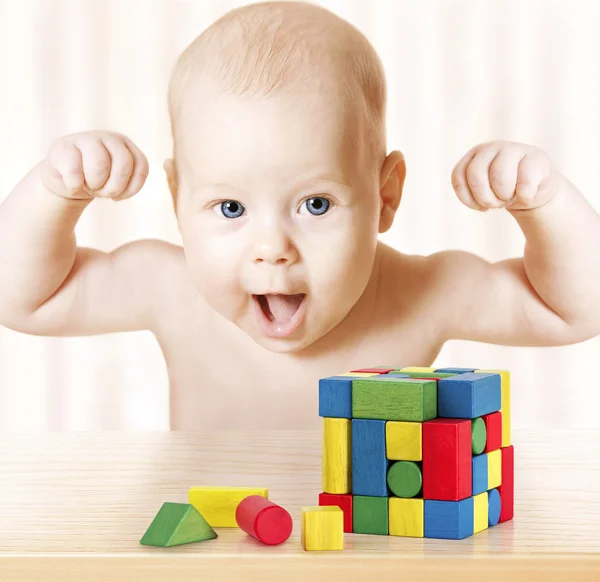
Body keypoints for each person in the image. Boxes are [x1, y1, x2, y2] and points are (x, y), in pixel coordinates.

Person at [1, 1, 599, 430]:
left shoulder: (418, 294)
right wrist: (58, 190)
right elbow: (20, 298)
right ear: (179, 197)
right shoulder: (171, 287)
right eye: (230, 207)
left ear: (385, 196)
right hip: (213, 550)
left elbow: (574, 311)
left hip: (362, 555)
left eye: (315, 204)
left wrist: (541, 202)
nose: (272, 247)